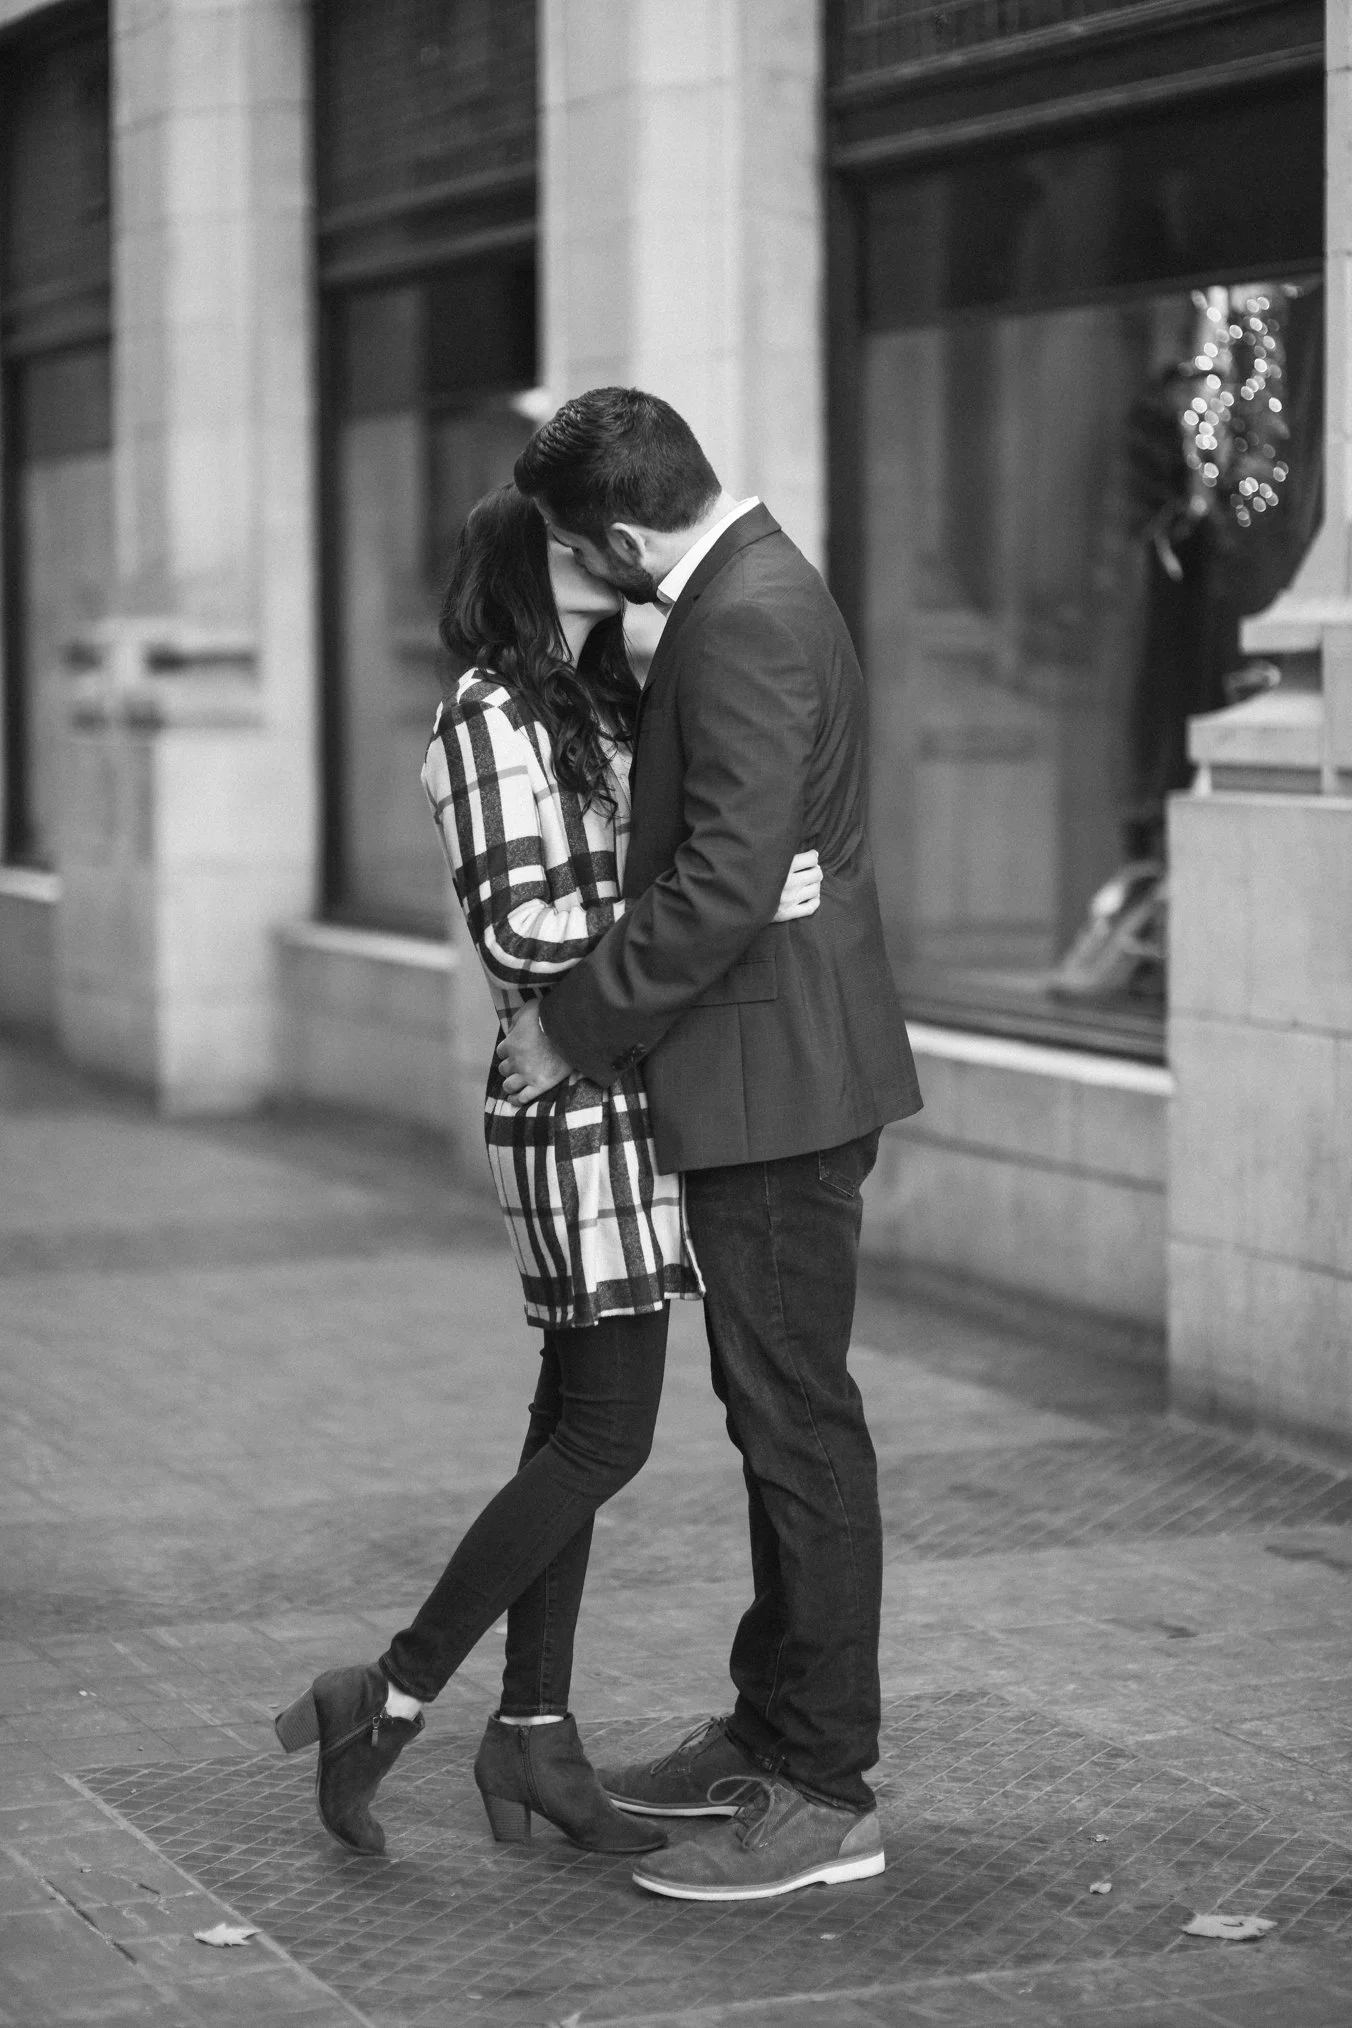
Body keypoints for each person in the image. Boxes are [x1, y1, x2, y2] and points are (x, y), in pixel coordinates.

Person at [273, 484, 822, 1861]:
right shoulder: (482, 717)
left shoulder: (597, 702)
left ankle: (532, 1734)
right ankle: (389, 1693)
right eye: (564, 540)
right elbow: (517, 928)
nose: (594, 551)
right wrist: (722, 904)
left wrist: (707, 898)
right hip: (567, 1104)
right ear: (523, 566)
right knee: (605, 1436)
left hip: (624, 1096)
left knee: (566, 1428)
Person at [501, 387, 923, 1903]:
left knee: (798, 1427)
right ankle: (770, 1727)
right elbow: (759, 862)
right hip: (771, 1067)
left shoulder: (741, 616)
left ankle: (825, 1791)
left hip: (778, 1082)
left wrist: (573, 1025)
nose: (573, 572)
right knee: (775, 1420)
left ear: (623, 535)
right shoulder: (748, 586)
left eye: (574, 548)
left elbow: (731, 879)